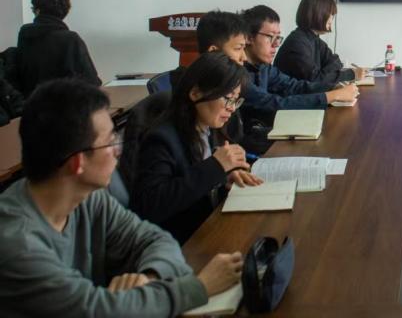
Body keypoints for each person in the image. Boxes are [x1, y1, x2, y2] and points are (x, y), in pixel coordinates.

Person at [0, 79, 242, 317]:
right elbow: (96, 310)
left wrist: (150, 277)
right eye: (109, 142)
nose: (118, 150)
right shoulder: (19, 245)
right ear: (77, 163)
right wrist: (200, 287)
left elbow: (155, 239)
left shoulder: (89, 197)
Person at [131, 52, 262, 243]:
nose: (232, 108)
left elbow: (197, 179)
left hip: (206, 226)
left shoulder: (208, 127)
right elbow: (149, 206)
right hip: (180, 242)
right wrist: (216, 167)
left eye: (236, 100)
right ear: (195, 93)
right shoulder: (162, 139)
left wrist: (224, 176)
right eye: (227, 98)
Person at [240, 5, 357, 128]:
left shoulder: (264, 67)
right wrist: (333, 96)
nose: (276, 44)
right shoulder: (237, 73)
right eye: (270, 37)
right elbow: (274, 104)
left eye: (278, 37)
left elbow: (294, 86)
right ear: (249, 37)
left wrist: (331, 87)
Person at [15, 0, 101, 96]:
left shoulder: (25, 34)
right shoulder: (70, 39)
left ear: (37, 11)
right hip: (63, 103)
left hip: (30, 102)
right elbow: (91, 81)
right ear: (65, 11)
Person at [274, 0, 367, 85]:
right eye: (330, 13)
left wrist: (325, 74)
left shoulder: (314, 38)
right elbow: (315, 80)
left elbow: (335, 61)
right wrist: (351, 74)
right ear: (317, 13)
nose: (332, 18)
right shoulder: (296, 43)